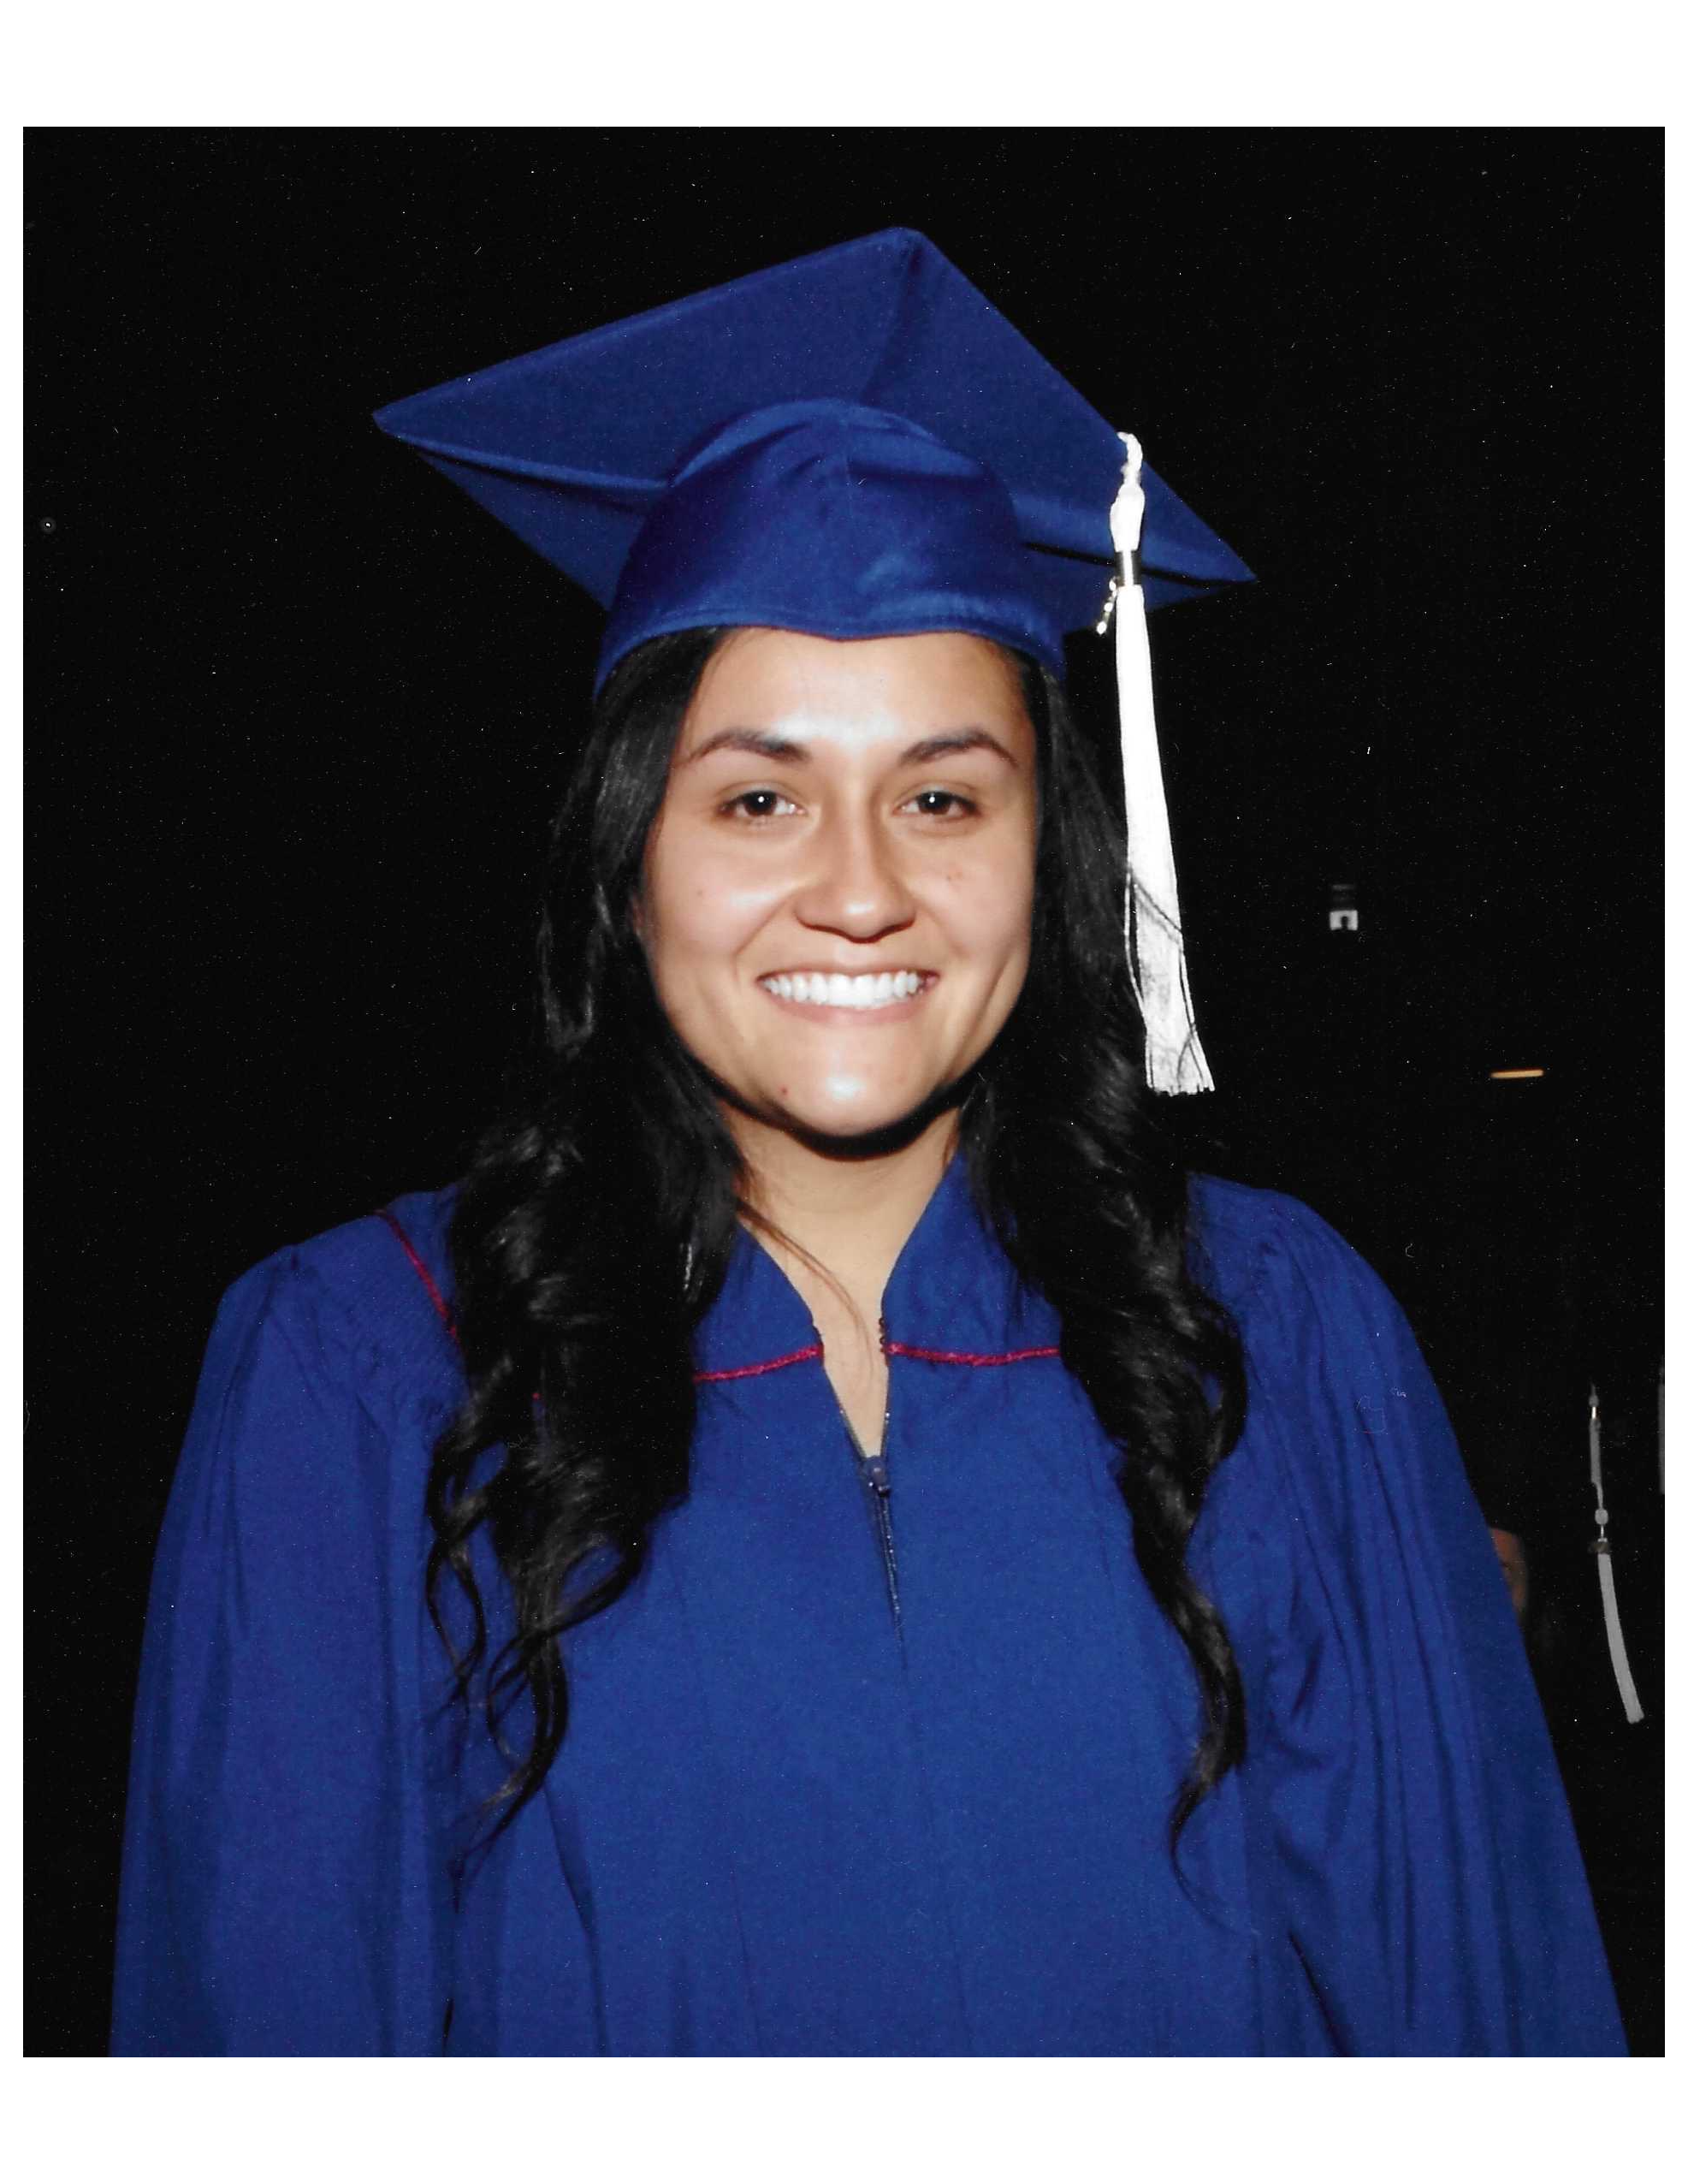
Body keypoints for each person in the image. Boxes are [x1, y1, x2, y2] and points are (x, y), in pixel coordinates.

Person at [110, 229, 1624, 2056]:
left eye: (939, 793)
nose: (856, 888)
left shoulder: (1279, 1329)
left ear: (1043, 853)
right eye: (757, 794)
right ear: (624, 857)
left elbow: (1485, 2011)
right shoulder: (362, 1369)